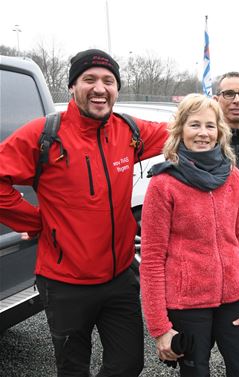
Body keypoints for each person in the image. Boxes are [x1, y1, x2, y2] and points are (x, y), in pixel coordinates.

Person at [0, 49, 169, 376]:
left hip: (119, 278)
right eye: (89, 79)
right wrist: (36, 222)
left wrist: (226, 114)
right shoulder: (44, 134)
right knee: (73, 369)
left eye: (108, 81)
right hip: (65, 282)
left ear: (117, 89)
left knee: (128, 364)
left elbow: (184, 130)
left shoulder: (128, 131)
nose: (100, 88)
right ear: (72, 87)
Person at [140, 94, 239, 376]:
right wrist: (160, 327)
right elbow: (151, 259)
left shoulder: (233, 176)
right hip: (187, 304)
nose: (203, 133)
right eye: (194, 125)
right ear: (180, 130)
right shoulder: (164, 184)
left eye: (210, 126)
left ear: (220, 131)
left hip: (235, 299)